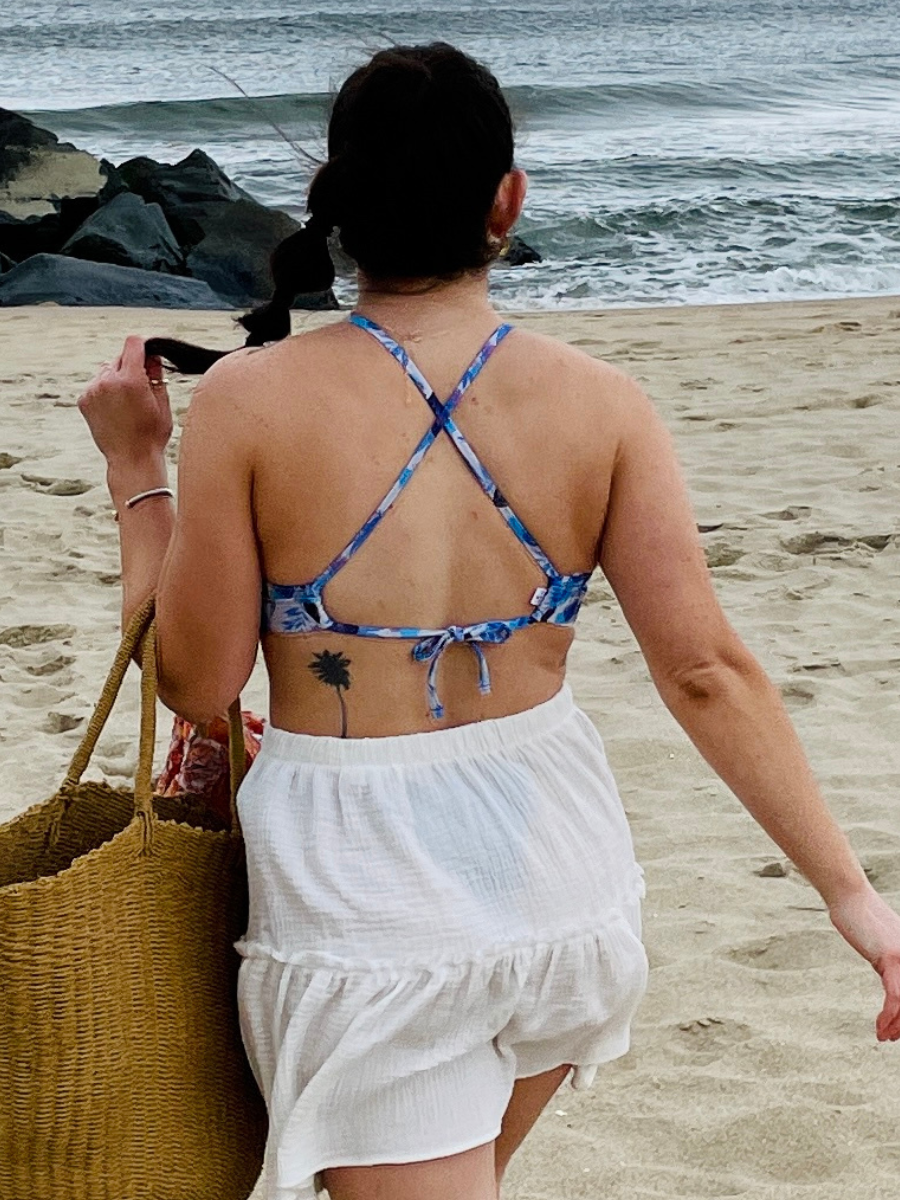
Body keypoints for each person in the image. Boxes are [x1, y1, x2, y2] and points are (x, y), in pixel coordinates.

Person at [77, 42, 900, 1200]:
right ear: (507, 199)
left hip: (367, 892)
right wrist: (848, 892)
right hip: (559, 865)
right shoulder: (604, 404)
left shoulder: (253, 403)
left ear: (340, 208)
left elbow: (196, 682)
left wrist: (136, 472)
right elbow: (707, 669)